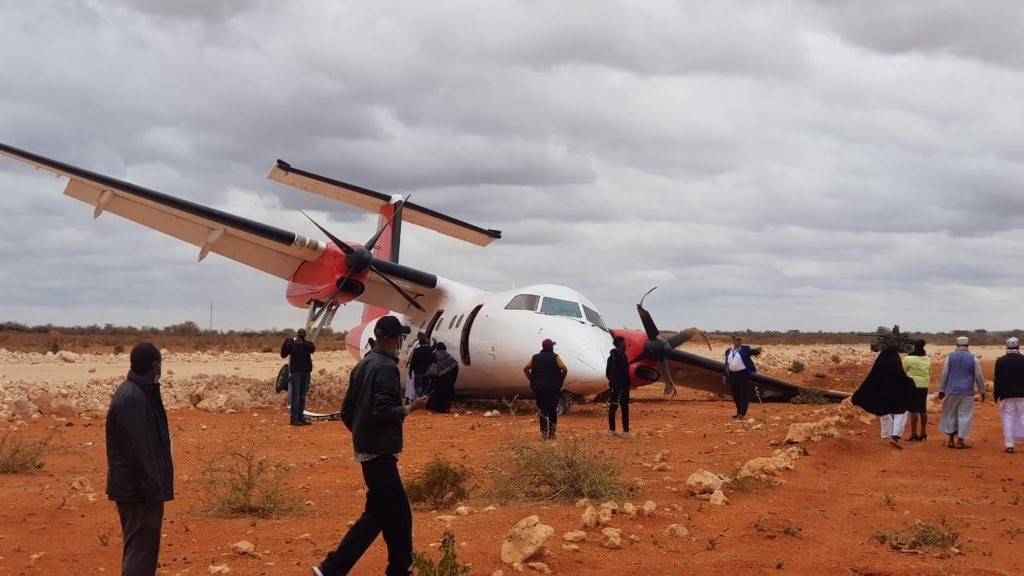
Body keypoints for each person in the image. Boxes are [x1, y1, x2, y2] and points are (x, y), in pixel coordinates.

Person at [314, 316, 428, 576]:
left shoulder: (362, 365)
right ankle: (331, 568)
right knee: (380, 514)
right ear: (390, 338)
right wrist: (411, 407)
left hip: (367, 450)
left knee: (397, 513)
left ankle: (399, 568)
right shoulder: (387, 368)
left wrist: (361, 434)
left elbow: (346, 412)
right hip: (381, 452)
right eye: (399, 337)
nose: (401, 342)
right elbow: (383, 411)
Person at [106, 342, 173, 576]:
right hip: (138, 493)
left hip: (137, 490)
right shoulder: (132, 398)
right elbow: (138, 452)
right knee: (141, 555)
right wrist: (152, 491)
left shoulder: (138, 393)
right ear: (155, 366)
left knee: (142, 550)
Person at [852, 340, 917, 449]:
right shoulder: (896, 360)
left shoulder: (881, 360)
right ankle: (895, 435)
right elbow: (901, 375)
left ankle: (886, 435)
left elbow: (872, 377)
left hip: (884, 393)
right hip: (897, 392)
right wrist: (910, 383)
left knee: (885, 411)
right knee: (901, 412)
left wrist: (861, 393)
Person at [938, 336, 986, 449]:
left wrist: (941, 390)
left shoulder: (950, 357)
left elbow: (944, 374)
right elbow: (979, 375)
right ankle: (960, 442)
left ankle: (950, 441)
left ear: (956, 344)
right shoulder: (973, 358)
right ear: (968, 345)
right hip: (967, 392)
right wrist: (982, 391)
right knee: (964, 416)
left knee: (951, 414)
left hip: (951, 390)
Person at [524, 338, 567, 440]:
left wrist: (532, 381)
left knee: (543, 411)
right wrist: (560, 381)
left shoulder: (535, 358)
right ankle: (552, 434)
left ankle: (544, 435)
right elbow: (564, 369)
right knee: (552, 411)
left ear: (543, 347)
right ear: (551, 347)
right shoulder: (556, 357)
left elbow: (525, 369)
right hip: (553, 389)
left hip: (539, 390)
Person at [994, 336, 1024, 454]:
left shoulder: (1001, 361)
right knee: (1023, 417)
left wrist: (996, 394)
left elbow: (997, 379)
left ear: (1007, 346)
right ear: (1018, 346)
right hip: (1022, 395)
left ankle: (1009, 444)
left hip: (1006, 394)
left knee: (1008, 418)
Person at [281, 328, 316, 426]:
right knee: (296, 397)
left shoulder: (308, 344)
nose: (301, 335)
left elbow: (312, 349)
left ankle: (301, 417)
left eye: (302, 334)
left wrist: (301, 342)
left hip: (306, 372)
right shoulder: (293, 345)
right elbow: (283, 354)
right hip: (296, 373)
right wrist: (285, 344)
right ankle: (294, 419)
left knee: (302, 396)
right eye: (300, 334)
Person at [722, 336, 762, 419]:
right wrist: (725, 375)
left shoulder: (745, 349)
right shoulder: (728, 351)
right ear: (733, 341)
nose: (739, 341)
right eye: (737, 340)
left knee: (743, 393)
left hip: (743, 374)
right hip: (732, 375)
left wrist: (757, 351)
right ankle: (739, 411)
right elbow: (726, 364)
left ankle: (742, 413)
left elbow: (752, 352)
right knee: (735, 394)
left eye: (740, 340)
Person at [902, 339, 932, 441]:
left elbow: (903, 371)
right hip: (924, 385)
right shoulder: (927, 359)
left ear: (914, 346)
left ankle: (913, 434)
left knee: (913, 410)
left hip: (912, 385)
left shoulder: (909, 359)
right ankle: (923, 432)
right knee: (922, 409)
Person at [606, 335, 633, 438]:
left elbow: (607, 373)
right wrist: (628, 384)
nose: (626, 345)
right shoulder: (623, 356)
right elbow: (625, 372)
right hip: (623, 386)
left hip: (613, 385)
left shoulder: (610, 357)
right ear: (621, 344)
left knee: (613, 407)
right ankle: (626, 431)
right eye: (624, 343)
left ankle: (612, 430)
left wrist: (612, 381)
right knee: (624, 407)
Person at [425, 342, 459, 413]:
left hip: (439, 379)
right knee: (447, 394)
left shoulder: (435, 355)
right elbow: (455, 367)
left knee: (437, 394)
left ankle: (438, 408)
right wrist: (452, 380)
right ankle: (446, 408)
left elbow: (429, 362)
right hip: (448, 381)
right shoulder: (449, 357)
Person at [408, 332, 435, 399]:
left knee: (417, 387)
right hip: (426, 372)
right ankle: (424, 396)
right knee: (426, 387)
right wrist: (435, 341)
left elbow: (413, 362)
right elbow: (433, 350)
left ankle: (421, 396)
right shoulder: (429, 350)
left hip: (418, 372)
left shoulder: (416, 351)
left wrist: (410, 371)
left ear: (419, 343)